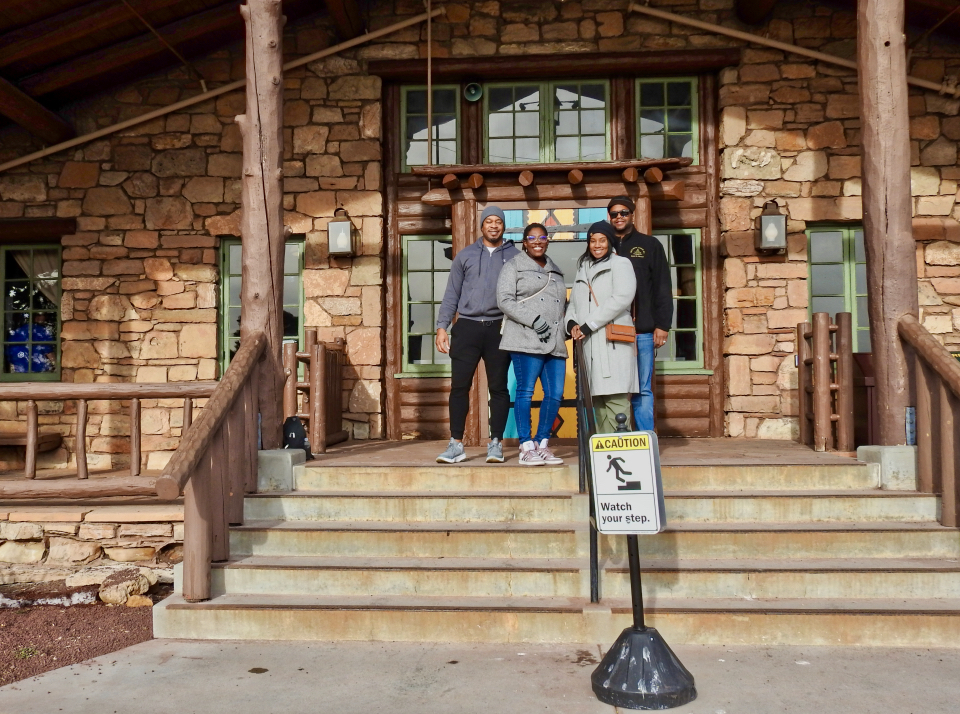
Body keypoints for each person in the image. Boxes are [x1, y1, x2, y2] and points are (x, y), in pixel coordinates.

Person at [435, 205, 519, 464]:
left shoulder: (515, 257)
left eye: (498, 222)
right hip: (467, 327)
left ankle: (495, 443)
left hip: (499, 328)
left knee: (499, 388)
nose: (494, 225)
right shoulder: (465, 256)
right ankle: (456, 444)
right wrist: (442, 327)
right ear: (481, 226)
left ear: (503, 226)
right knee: (459, 387)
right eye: (489, 221)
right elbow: (452, 294)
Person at [497, 223, 567, 466]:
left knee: (555, 393)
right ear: (524, 242)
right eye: (532, 237)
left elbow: (561, 306)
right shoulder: (513, 266)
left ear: (548, 241)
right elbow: (504, 300)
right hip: (525, 338)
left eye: (542, 237)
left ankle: (542, 443)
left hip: (554, 341)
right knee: (526, 391)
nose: (538, 241)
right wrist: (534, 320)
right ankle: (526, 446)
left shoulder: (555, 270)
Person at [565, 222, 639, 434]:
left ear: (610, 241)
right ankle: (605, 458)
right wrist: (571, 323)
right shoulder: (583, 268)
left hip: (612, 343)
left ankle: (623, 455)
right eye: (592, 240)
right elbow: (574, 304)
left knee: (616, 402)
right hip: (589, 346)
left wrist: (589, 325)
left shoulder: (621, 264)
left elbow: (621, 298)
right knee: (596, 404)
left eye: (602, 240)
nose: (597, 245)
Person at [607, 196, 673, 431]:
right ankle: (617, 439)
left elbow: (663, 286)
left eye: (623, 212)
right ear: (609, 217)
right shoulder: (604, 246)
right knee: (615, 387)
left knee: (642, 388)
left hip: (643, 331)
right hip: (612, 331)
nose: (619, 217)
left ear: (632, 214)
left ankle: (645, 440)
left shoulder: (650, 245)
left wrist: (663, 325)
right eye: (614, 214)